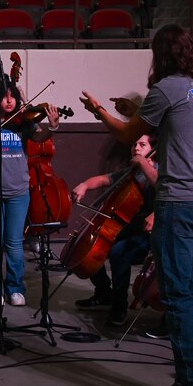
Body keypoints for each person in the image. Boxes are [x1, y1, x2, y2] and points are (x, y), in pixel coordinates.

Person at [82, 23, 193, 386]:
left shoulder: (167, 88)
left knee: (179, 299)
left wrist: (98, 111)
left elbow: (129, 133)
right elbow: (185, 131)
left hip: (179, 206)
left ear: (161, 55)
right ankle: (186, 382)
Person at [0, 72, 59, 307]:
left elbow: (41, 136)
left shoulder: (24, 121)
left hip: (18, 189)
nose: (9, 101)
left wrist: (53, 126)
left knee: (14, 242)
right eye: (4, 97)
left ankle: (15, 288)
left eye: (12, 96)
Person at [70, 133, 158, 327]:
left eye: (142, 144)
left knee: (119, 252)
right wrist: (84, 185)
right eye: (134, 143)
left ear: (153, 150)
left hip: (147, 234)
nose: (136, 147)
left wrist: (155, 213)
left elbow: (164, 189)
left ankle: (119, 306)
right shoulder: (130, 171)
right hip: (125, 227)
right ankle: (104, 292)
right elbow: (103, 179)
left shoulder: (158, 173)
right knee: (90, 246)